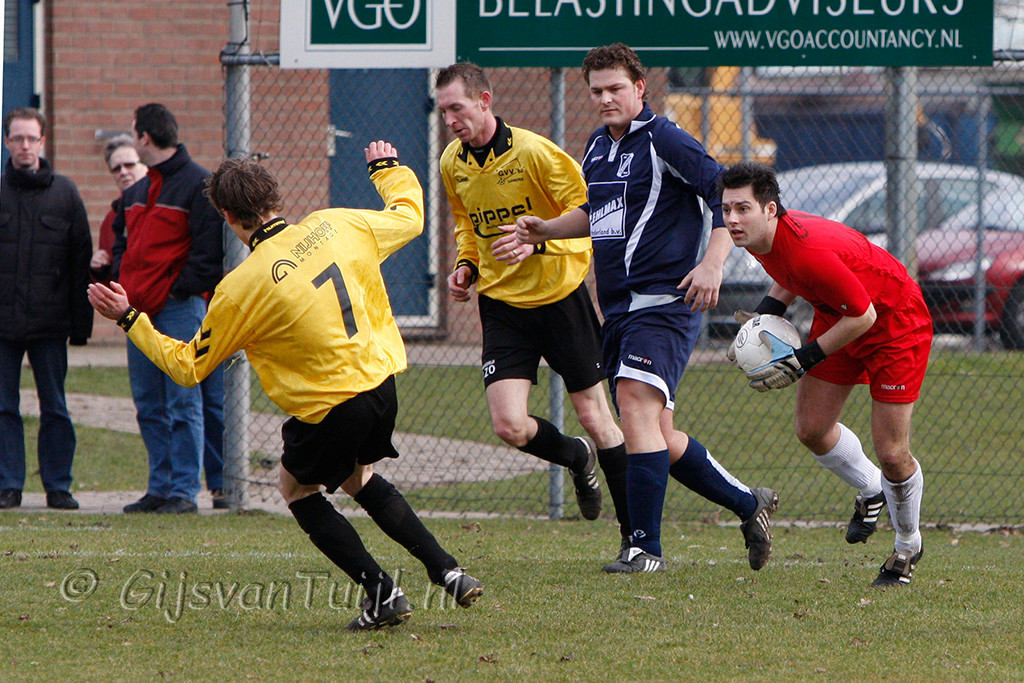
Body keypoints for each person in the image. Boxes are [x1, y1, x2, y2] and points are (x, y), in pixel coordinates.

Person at [88, 143, 484, 630]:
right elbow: (410, 217)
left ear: (228, 217)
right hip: (381, 385)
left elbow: (188, 367)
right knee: (357, 479)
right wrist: (387, 170)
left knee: (295, 489)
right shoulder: (337, 224)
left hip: (332, 405)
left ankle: (383, 595)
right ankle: (448, 571)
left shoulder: (242, 287)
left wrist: (130, 318)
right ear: (275, 198)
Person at [514, 44, 778, 573]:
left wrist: (713, 263)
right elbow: (598, 212)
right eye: (597, 91)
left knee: (634, 406)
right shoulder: (598, 145)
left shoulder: (666, 139)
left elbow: (722, 196)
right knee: (659, 434)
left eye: (616, 88)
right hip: (619, 311)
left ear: (640, 88)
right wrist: (547, 230)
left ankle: (644, 549)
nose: (605, 98)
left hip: (664, 304)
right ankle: (749, 504)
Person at [436, 62, 632, 558]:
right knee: (509, 425)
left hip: (560, 298)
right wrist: (466, 265)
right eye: (443, 112)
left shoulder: (535, 153)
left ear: (484, 101)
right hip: (502, 305)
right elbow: (467, 224)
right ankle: (576, 457)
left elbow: (592, 217)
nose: (450, 121)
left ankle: (635, 538)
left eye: (457, 108)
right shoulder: (451, 162)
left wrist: (538, 243)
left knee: (595, 417)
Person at [719, 160, 931, 587]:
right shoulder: (762, 239)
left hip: (893, 324)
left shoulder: (806, 248)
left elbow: (865, 315)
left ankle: (907, 546)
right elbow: (790, 275)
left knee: (892, 453)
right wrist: (759, 322)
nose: (732, 220)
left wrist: (803, 360)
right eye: (726, 209)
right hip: (841, 316)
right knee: (812, 429)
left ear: (770, 210)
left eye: (743, 209)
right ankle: (872, 488)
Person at [95, 133, 228, 509]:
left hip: (179, 308)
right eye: (116, 167)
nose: (125, 170)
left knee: (184, 401)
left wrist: (176, 289)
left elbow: (208, 253)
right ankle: (160, 487)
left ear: (146, 140)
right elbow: (121, 246)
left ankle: (185, 490)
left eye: (130, 162)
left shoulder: (196, 185)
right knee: (149, 403)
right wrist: (122, 282)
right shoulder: (134, 197)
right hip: (137, 310)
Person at [0, 107, 92, 510]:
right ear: (6, 142)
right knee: (3, 407)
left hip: (50, 323)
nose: (25, 145)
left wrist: (81, 326)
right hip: (2, 325)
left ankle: (58, 486)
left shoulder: (65, 194)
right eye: (17, 138)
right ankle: (8, 485)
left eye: (31, 138)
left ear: (42, 141)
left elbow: (80, 261)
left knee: (54, 406)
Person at [90, 135, 148, 284]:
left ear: (145, 165)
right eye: (116, 169)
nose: (123, 172)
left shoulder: (162, 206)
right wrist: (100, 269)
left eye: (129, 165)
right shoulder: (110, 220)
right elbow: (110, 280)